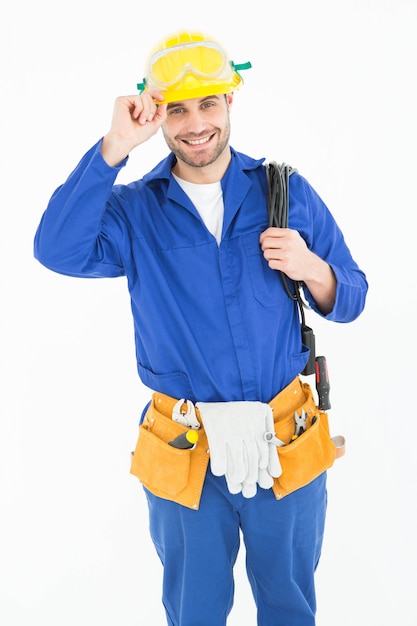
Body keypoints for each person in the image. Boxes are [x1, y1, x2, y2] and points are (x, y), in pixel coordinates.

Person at [34, 30, 368, 626]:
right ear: (158, 115)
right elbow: (56, 248)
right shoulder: (134, 210)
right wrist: (114, 147)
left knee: (290, 606)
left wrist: (312, 268)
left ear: (230, 102)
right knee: (194, 611)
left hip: (285, 439)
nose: (195, 125)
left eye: (208, 104)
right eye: (178, 109)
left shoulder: (281, 192)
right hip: (185, 449)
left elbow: (353, 297)